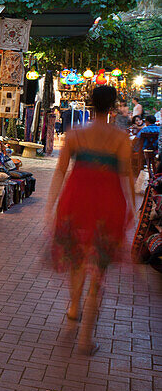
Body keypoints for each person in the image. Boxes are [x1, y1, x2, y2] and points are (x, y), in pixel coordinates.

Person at [46, 85, 135, 355]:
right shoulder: (121, 139)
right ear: (112, 106)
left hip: (75, 201)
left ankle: (74, 308)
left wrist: (50, 206)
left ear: (90, 103)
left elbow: (61, 172)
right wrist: (133, 207)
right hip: (108, 205)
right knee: (99, 267)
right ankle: (86, 339)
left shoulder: (75, 134)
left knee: (76, 261)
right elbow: (127, 176)